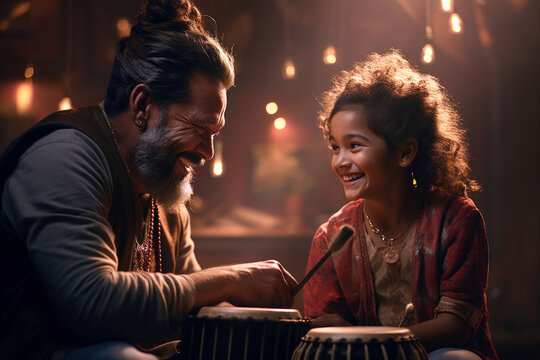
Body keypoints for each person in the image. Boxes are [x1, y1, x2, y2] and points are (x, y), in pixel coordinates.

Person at [0, 1, 297, 359]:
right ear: (142, 106)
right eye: (199, 128)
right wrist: (234, 278)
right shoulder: (64, 155)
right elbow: (92, 303)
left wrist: (300, 326)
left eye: (215, 133)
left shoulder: (163, 188)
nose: (208, 152)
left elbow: (193, 305)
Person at [303, 50, 499, 360]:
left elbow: (456, 327)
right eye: (334, 147)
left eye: (354, 145)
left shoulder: (457, 219)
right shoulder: (330, 237)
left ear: (405, 152)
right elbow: (322, 328)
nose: (341, 161)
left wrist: (362, 337)